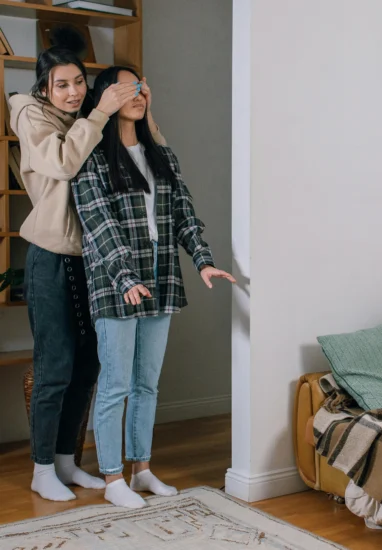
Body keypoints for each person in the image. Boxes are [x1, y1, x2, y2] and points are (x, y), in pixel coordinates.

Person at [71, 65, 235, 509]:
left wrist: (203, 261)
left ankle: (141, 470)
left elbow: (184, 213)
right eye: (127, 87)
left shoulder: (162, 155)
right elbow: (98, 225)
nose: (138, 93)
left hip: (161, 281)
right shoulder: (91, 158)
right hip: (115, 283)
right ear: (105, 97)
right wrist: (125, 277)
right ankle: (111, 478)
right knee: (115, 385)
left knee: (147, 385)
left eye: (142, 86)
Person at [10, 46, 165, 502]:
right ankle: (42, 470)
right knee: (54, 366)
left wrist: (141, 109)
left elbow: (152, 158)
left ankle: (65, 461)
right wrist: (100, 112)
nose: (73, 91)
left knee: (87, 365)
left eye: (80, 81)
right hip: (51, 257)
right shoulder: (32, 118)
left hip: (94, 260)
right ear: (44, 88)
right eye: (62, 84)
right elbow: (63, 163)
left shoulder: (91, 119)